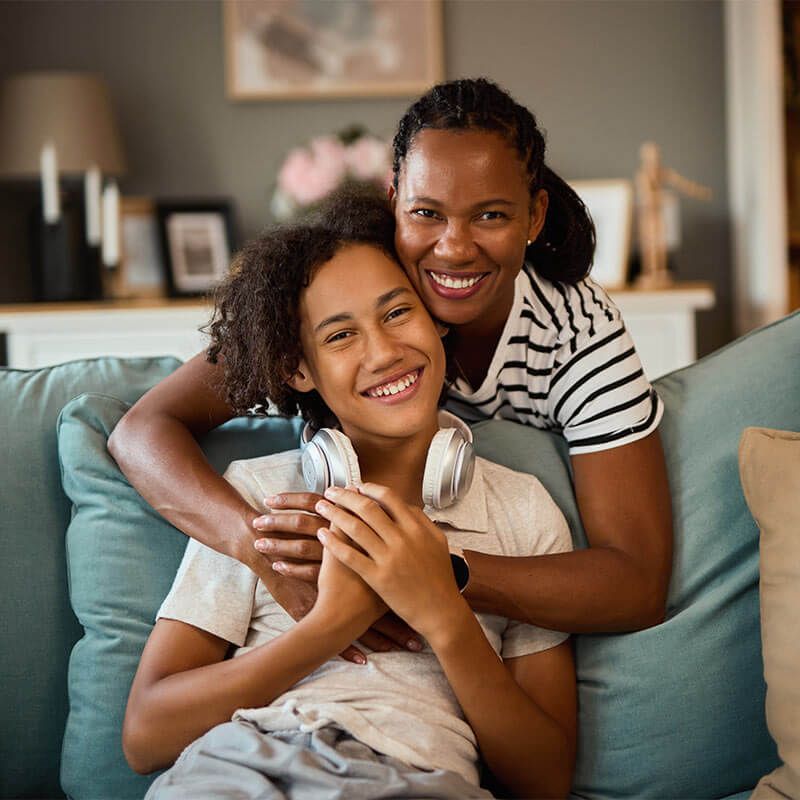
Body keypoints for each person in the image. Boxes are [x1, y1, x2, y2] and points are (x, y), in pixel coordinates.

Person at [108, 77, 672, 655]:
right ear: (394, 198)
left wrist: (426, 572)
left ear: (533, 217)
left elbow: (636, 584)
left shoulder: (577, 333)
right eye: (426, 212)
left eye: (490, 216)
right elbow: (142, 432)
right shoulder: (358, 275)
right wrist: (265, 553)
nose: (454, 249)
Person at [123, 194, 576, 799]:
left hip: (412, 781)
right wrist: (332, 624)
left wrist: (444, 614)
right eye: (340, 335)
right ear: (298, 369)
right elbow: (145, 737)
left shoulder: (522, 510)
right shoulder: (262, 499)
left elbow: (546, 780)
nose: (383, 352)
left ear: (437, 317)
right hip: (241, 767)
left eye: (398, 313)